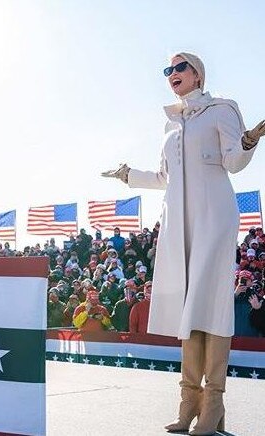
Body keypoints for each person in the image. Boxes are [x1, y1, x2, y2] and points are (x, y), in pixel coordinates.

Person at [101, 52, 265, 434]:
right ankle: (189, 400)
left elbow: (233, 161)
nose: (171, 74)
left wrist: (249, 139)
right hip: (178, 221)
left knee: (212, 307)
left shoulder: (221, 109)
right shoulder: (170, 125)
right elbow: (164, 176)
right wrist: (129, 175)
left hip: (214, 216)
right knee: (190, 311)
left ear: (197, 75)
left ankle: (214, 401)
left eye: (179, 68)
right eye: (167, 70)